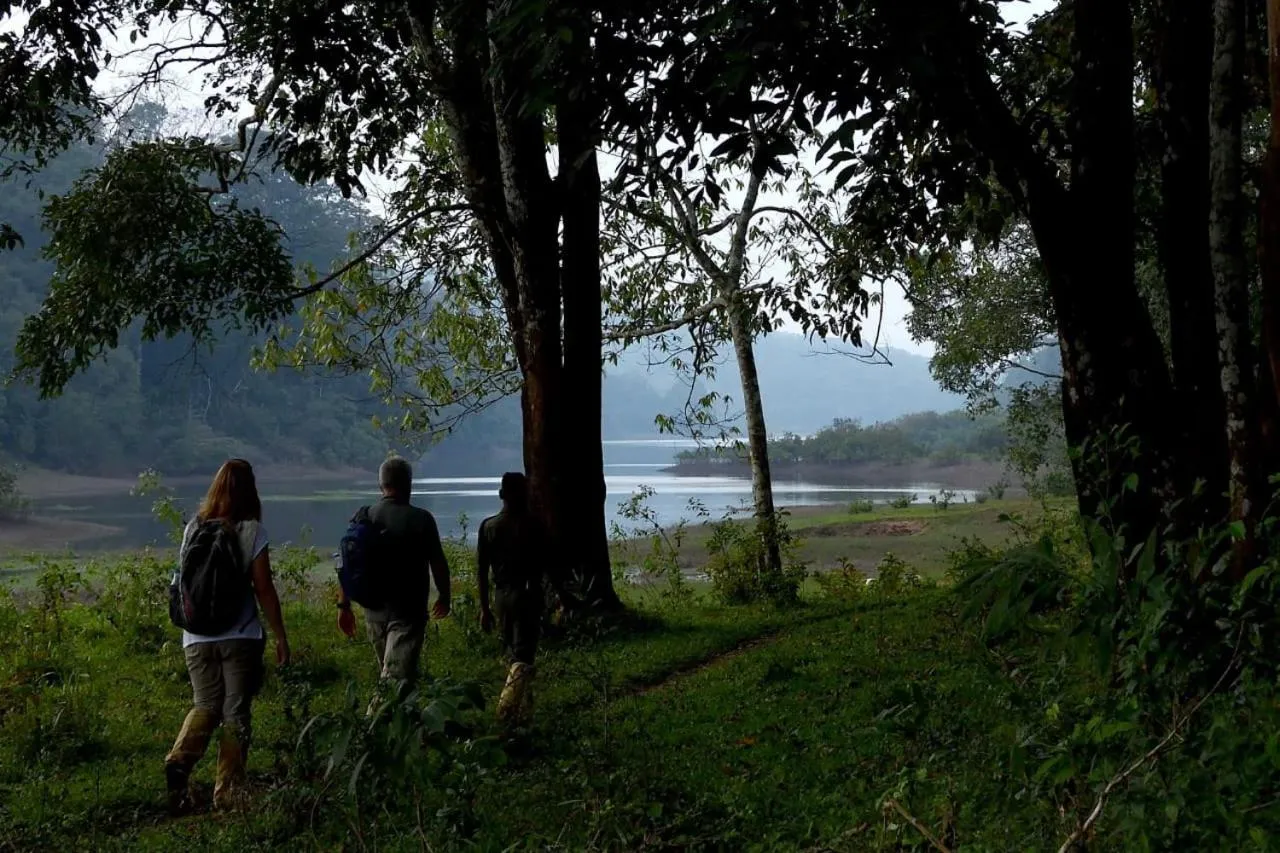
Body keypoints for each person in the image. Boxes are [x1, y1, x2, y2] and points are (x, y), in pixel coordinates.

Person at [164, 458, 290, 815]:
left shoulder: (193, 528)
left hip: (196, 638)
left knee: (205, 705)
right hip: (240, 637)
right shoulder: (252, 530)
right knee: (235, 712)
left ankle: (180, 759)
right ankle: (229, 792)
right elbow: (264, 588)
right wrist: (280, 635)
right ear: (251, 490)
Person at [337, 456, 451, 689]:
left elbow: (347, 564)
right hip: (408, 613)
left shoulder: (363, 516)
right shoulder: (421, 519)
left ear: (381, 485)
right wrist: (444, 596)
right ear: (409, 484)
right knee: (394, 681)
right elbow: (437, 562)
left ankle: (404, 722)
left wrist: (344, 605)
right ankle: (372, 725)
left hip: (373, 611)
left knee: (392, 674)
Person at [476, 472, 574, 726]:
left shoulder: (488, 527)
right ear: (525, 495)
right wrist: (564, 597)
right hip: (528, 596)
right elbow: (551, 567)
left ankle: (523, 708)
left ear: (501, 495)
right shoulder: (535, 526)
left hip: (501, 598)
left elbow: (481, 572)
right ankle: (507, 714)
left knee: (512, 650)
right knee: (523, 655)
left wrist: (485, 608)